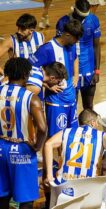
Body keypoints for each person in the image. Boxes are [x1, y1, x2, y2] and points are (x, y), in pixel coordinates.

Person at [0, 57, 47, 209]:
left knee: (2, 195)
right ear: (26, 75)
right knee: (26, 199)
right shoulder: (31, 98)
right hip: (22, 148)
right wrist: (37, 146)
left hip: (1, 145)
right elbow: (42, 128)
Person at [29, 19, 83, 138]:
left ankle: (65, 157)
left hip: (71, 98)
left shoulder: (72, 46)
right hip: (55, 101)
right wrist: (47, 85)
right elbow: (29, 70)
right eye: (76, 39)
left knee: (71, 134)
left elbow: (75, 58)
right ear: (67, 35)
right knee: (56, 136)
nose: (77, 42)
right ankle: (55, 156)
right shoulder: (46, 49)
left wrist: (76, 74)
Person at [44, 108, 106, 185]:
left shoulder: (66, 131)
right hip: (90, 187)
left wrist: (49, 175)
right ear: (93, 123)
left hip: (63, 187)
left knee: (53, 171)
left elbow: (48, 144)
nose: (98, 125)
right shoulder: (101, 135)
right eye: (97, 123)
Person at [56, 0, 101, 109]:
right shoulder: (62, 22)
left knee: (89, 107)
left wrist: (97, 71)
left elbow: (97, 46)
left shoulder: (93, 20)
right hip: (70, 72)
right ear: (74, 9)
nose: (82, 19)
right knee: (71, 106)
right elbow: (59, 47)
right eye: (80, 16)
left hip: (89, 71)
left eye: (85, 15)